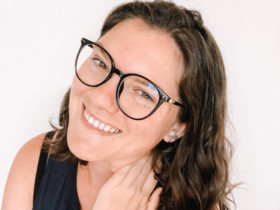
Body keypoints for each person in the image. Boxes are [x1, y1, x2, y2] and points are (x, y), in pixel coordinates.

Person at [2, 0, 234, 209]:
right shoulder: (37, 161)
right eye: (101, 63)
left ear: (179, 127)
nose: (101, 97)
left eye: (143, 93)